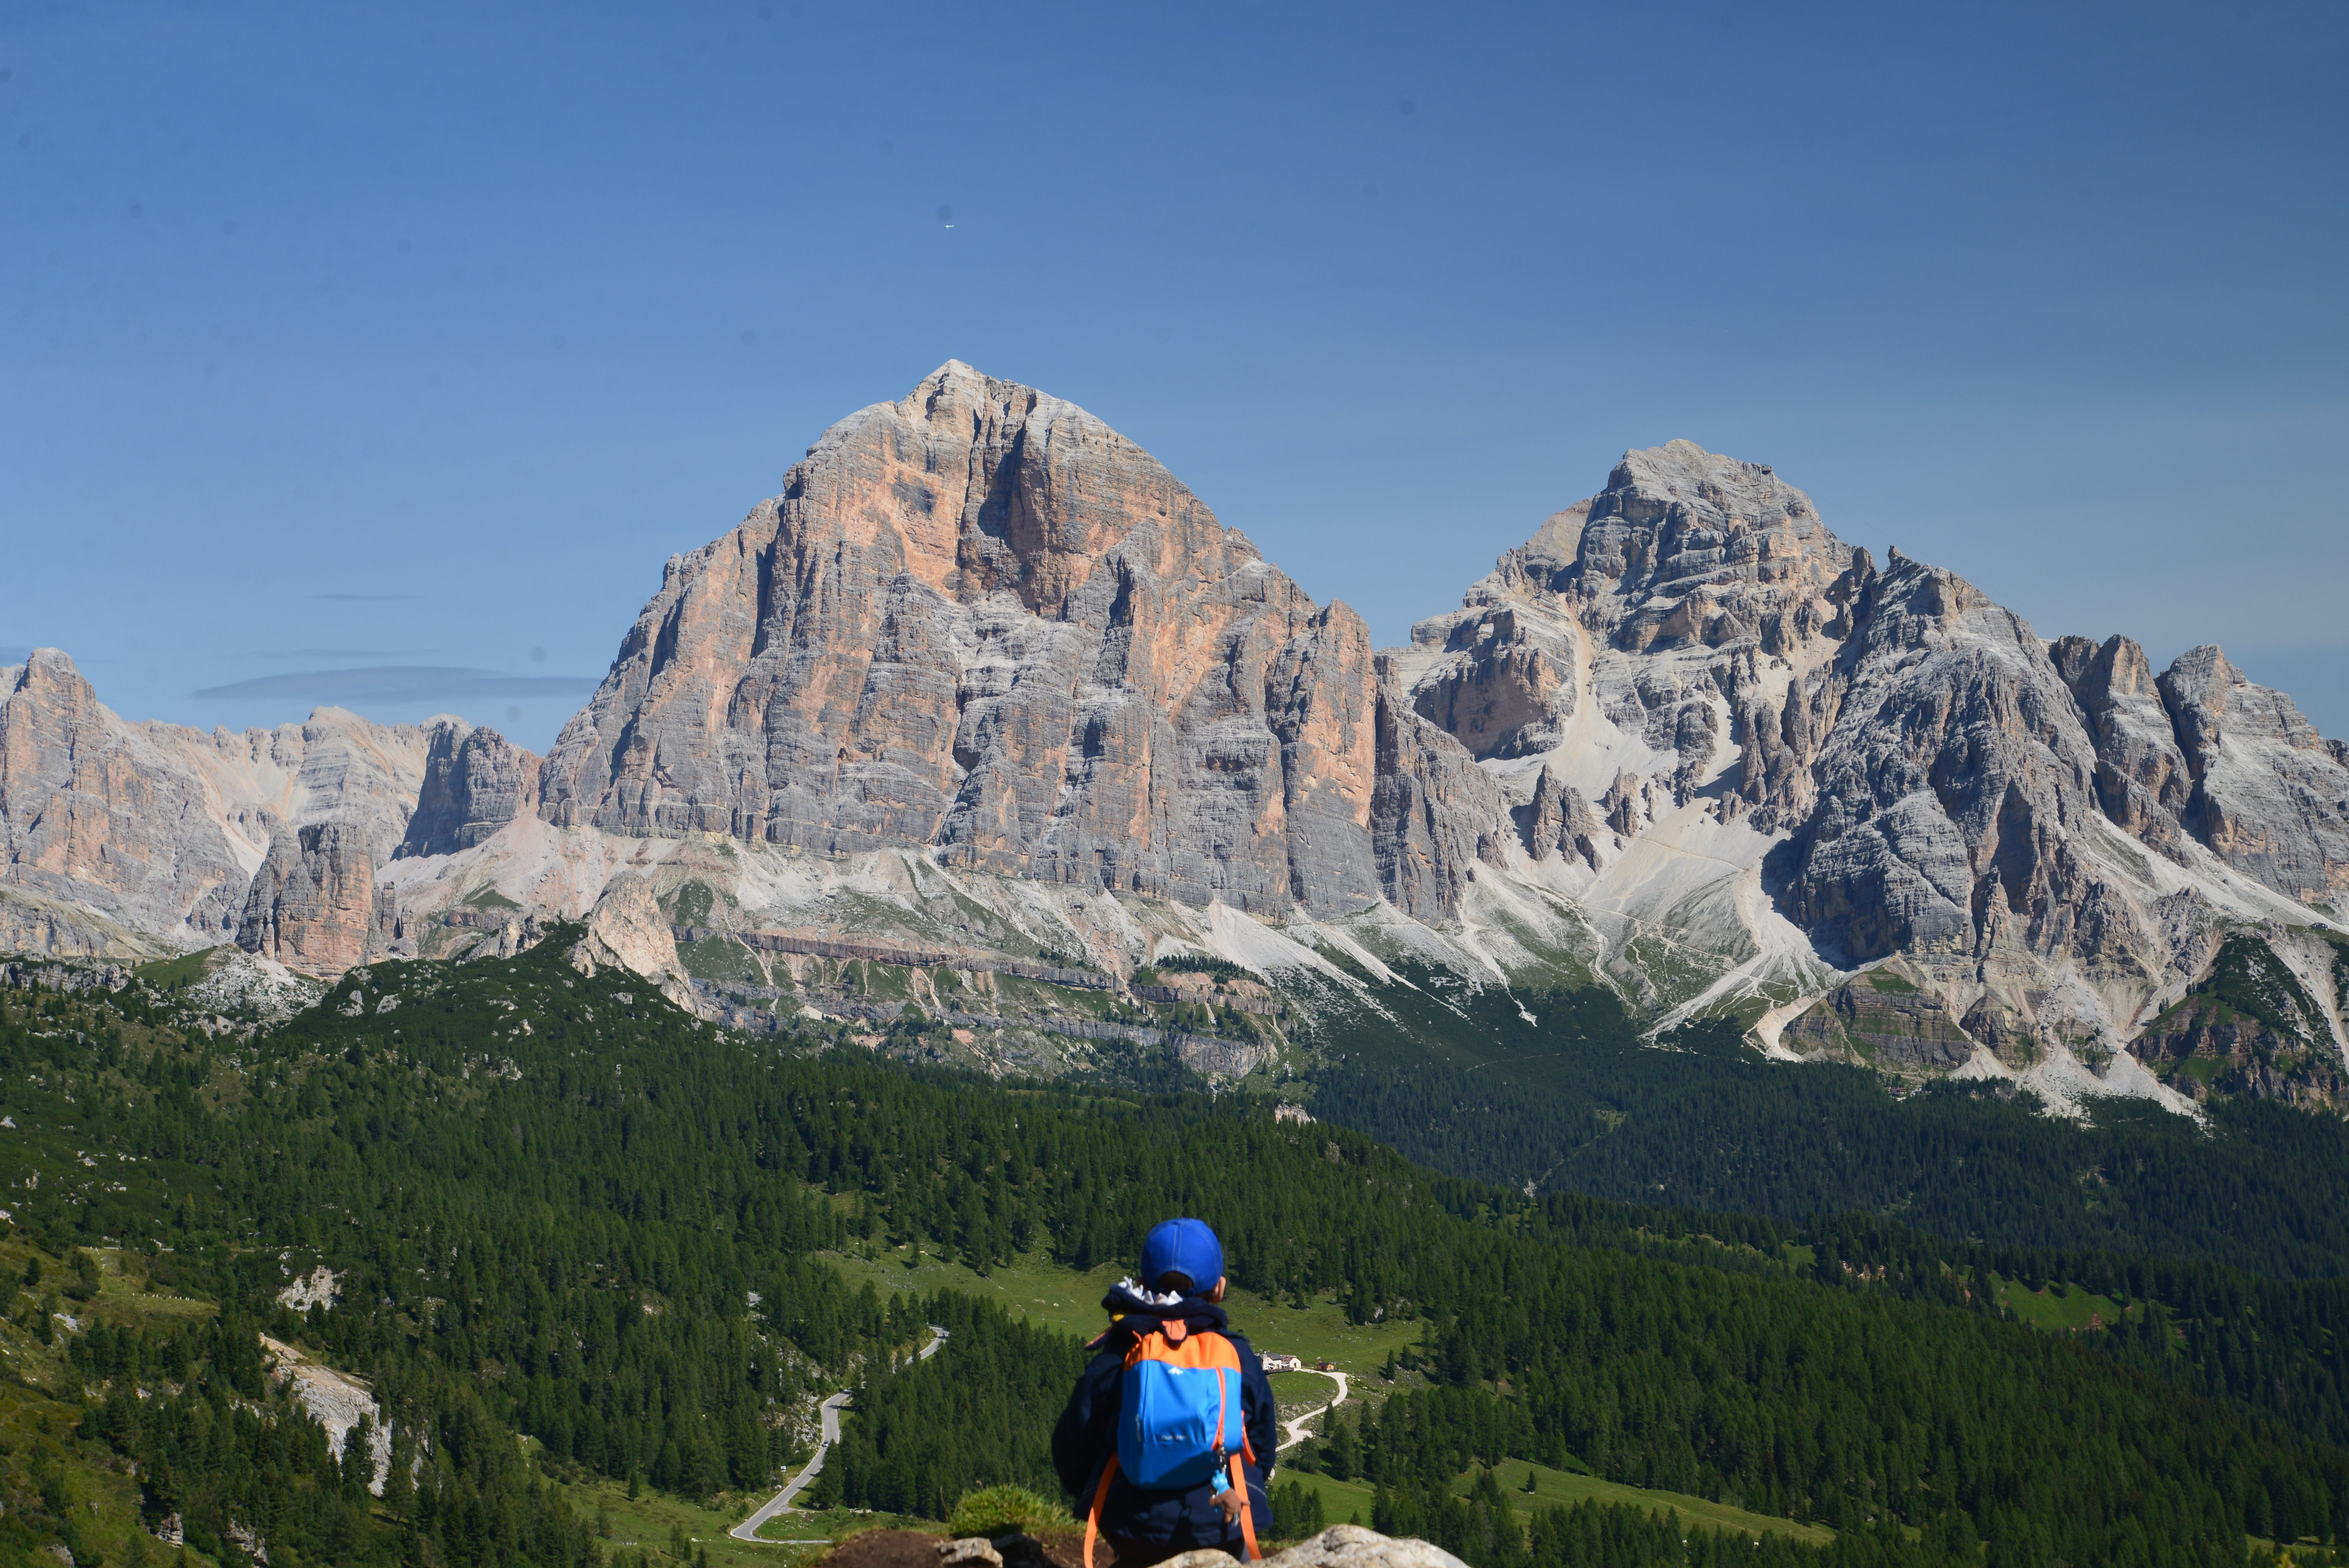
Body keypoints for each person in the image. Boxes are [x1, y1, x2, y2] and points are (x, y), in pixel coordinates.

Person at [1053, 1218, 1276, 1568]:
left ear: (1142, 1285)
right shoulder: (1237, 1357)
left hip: (1133, 1530)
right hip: (1221, 1527)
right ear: (1219, 1289)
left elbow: (1073, 1447)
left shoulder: (1121, 1353)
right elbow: (1262, 1449)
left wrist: (1098, 1494)